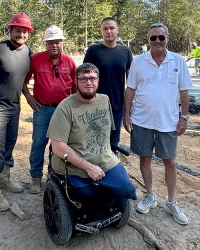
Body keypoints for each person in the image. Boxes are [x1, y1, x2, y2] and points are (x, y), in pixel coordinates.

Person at [123, 23, 192, 225]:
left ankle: (171, 201)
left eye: (161, 37)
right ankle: (150, 195)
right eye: (153, 38)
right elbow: (130, 89)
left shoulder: (178, 61)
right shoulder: (138, 61)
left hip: (168, 121)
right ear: (148, 40)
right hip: (141, 120)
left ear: (167, 38)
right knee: (145, 158)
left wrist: (184, 117)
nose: (157, 41)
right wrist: (127, 115)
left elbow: (184, 91)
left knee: (170, 161)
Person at [48, 62, 136, 201]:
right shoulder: (65, 107)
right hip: (75, 167)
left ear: (98, 81)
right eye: (83, 79)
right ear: (76, 82)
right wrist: (88, 167)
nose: (89, 82)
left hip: (105, 161)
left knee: (128, 191)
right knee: (90, 197)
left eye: (92, 78)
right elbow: (58, 146)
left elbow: (107, 132)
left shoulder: (104, 99)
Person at [0, 12, 34, 212]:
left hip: (15, 106)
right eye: (17, 30)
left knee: (10, 142)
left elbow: (21, 80)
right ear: (10, 30)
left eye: (24, 31)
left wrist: (29, 97)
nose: (20, 34)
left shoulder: (28, 52)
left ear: (28, 33)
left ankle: (5, 178)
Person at [23, 25, 76, 194]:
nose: (54, 45)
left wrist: (73, 107)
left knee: (59, 146)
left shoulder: (69, 62)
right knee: (39, 143)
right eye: (50, 42)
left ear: (62, 43)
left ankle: (54, 176)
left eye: (58, 42)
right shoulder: (36, 59)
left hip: (63, 111)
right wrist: (29, 98)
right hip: (42, 110)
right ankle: (35, 178)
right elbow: (23, 81)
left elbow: (75, 86)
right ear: (45, 43)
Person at [83, 17, 133, 149]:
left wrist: (129, 106)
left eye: (111, 28)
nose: (109, 31)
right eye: (105, 28)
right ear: (101, 31)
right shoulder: (93, 50)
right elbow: (84, 77)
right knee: (94, 142)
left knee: (113, 144)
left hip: (117, 105)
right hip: (95, 106)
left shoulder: (125, 51)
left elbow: (131, 82)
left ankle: (110, 169)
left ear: (117, 30)